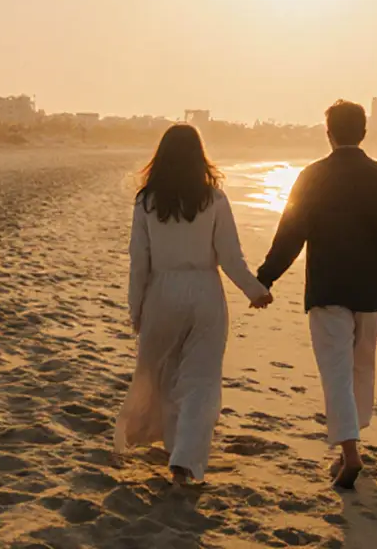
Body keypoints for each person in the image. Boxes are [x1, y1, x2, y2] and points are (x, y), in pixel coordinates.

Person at [256, 100, 377, 490]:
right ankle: (352, 440)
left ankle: (349, 451)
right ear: (363, 133)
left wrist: (265, 279)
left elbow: (290, 235)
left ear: (328, 133)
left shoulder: (313, 177)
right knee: (361, 368)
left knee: (335, 372)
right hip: (370, 292)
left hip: (328, 289)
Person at [114, 124, 273, 487]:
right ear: (199, 156)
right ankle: (184, 459)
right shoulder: (214, 199)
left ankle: (173, 446)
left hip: (161, 290)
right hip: (204, 290)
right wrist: (255, 291)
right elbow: (230, 257)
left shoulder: (147, 201)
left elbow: (139, 261)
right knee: (201, 379)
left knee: (162, 374)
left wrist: (136, 308)